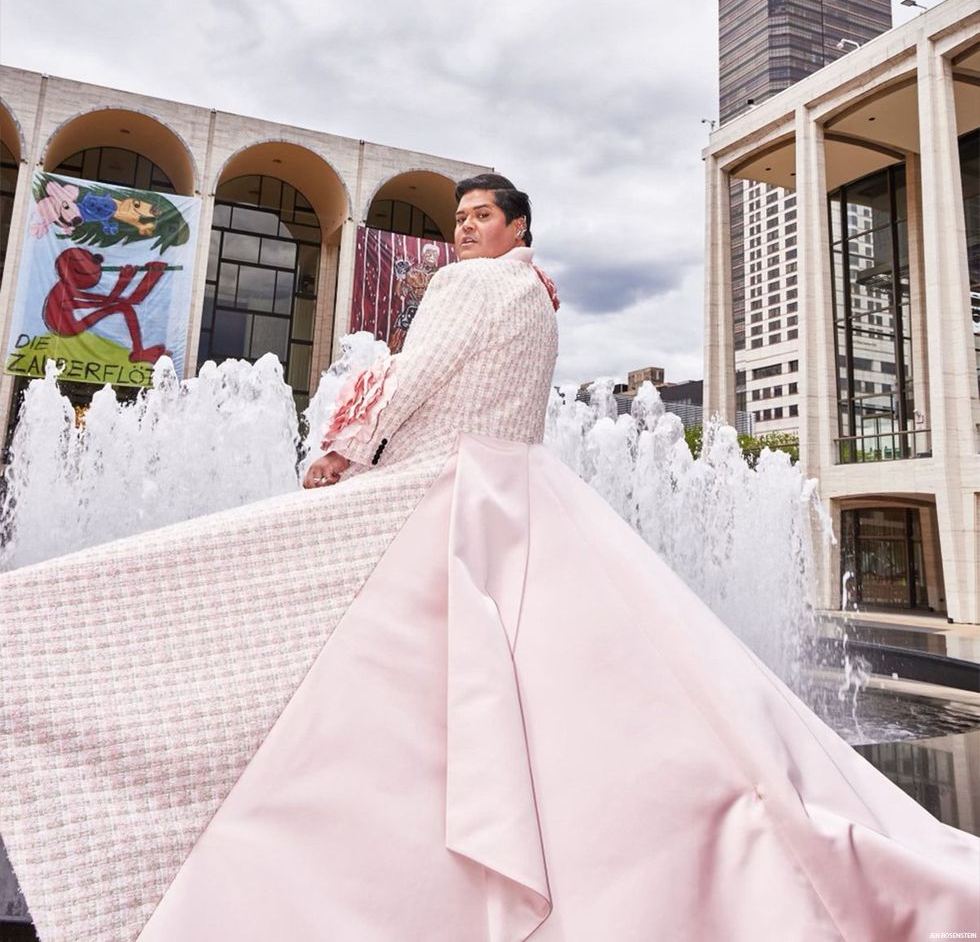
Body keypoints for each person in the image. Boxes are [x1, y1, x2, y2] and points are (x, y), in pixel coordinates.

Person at [0, 175, 976, 942]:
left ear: (517, 225)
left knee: (330, 647)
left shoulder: (467, 284)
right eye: (457, 216)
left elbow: (419, 374)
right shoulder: (541, 298)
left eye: (479, 215)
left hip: (444, 495)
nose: (461, 228)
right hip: (530, 496)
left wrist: (347, 444)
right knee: (579, 697)